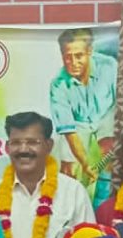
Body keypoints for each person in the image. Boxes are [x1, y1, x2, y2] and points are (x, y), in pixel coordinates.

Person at [48, 27, 118, 197]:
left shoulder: (110, 67)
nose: (73, 62)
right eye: (68, 57)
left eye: (78, 56)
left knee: (109, 149)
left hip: (107, 113)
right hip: (78, 123)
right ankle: (70, 201)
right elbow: (69, 131)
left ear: (89, 51)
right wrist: (85, 164)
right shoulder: (58, 85)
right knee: (68, 168)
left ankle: (102, 200)